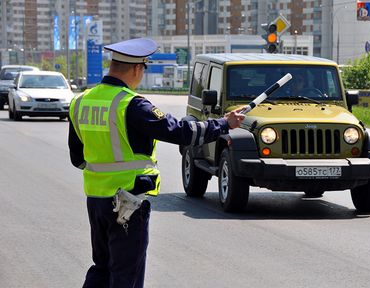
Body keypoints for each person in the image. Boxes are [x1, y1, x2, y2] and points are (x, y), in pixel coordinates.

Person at [68, 38, 245, 288]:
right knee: (126, 275)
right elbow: (183, 132)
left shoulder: (80, 102)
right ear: (137, 68)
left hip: (95, 201)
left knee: (102, 268)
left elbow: (77, 158)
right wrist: (225, 123)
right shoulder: (131, 104)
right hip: (127, 203)